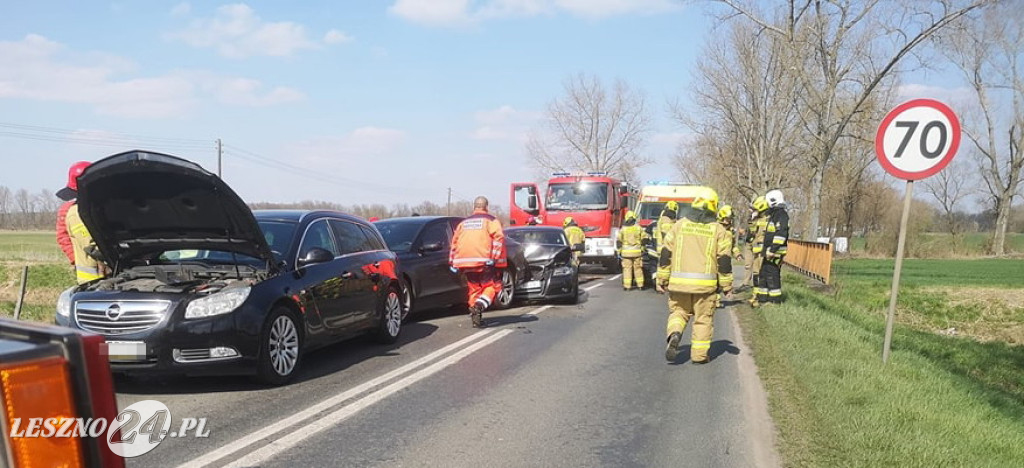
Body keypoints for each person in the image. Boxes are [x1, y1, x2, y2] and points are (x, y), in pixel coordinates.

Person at [658, 190, 733, 363]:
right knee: (703, 320)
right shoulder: (719, 230)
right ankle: (699, 356)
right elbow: (724, 261)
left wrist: (661, 280)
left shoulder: (679, 225)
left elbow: (665, 253)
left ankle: (675, 333)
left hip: (678, 284)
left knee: (678, 312)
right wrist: (727, 286)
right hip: (705, 287)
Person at [450, 196, 506, 327]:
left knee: (474, 289)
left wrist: (452, 262)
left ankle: (476, 318)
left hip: (464, 262)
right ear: (486, 207)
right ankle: (479, 306)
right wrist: (494, 258)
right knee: (492, 287)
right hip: (483, 260)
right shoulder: (490, 221)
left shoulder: (463, 223)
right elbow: (499, 238)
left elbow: (454, 243)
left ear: (474, 207)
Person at [56, 161, 105, 284]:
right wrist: (77, 260)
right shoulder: (71, 212)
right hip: (92, 274)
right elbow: (64, 238)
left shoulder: (103, 206)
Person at [756, 189, 789, 305]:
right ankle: (762, 299)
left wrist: (773, 250)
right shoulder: (774, 214)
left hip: (775, 252)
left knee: (772, 275)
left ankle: (775, 301)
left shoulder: (781, 215)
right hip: (769, 251)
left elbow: (781, 234)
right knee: (763, 274)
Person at [715, 205, 741, 308]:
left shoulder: (730, 231)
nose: (729, 221)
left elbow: (733, 245)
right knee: (714, 281)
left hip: (725, 259)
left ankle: (723, 294)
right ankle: (715, 301)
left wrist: (737, 254)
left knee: (725, 279)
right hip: (714, 258)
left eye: (730, 219)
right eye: (728, 218)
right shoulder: (715, 228)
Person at [616, 211, 647, 290]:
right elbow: (645, 239)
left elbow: (619, 241)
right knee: (638, 268)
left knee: (627, 269)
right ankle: (640, 285)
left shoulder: (623, 229)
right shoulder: (638, 228)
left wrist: (619, 251)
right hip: (637, 252)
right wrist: (643, 248)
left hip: (626, 253)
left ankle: (627, 286)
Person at [747, 196, 769, 305]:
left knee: (762, 274)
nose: (754, 211)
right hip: (756, 252)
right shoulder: (758, 219)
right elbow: (752, 232)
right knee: (756, 273)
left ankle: (761, 297)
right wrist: (752, 219)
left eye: (755, 209)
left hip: (763, 253)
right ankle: (755, 295)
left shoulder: (768, 219)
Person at [653, 200, 678, 293]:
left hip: (666, 247)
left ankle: (665, 284)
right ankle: (660, 284)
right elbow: (667, 234)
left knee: (666, 266)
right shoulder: (666, 219)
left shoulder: (667, 219)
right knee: (663, 266)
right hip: (665, 247)